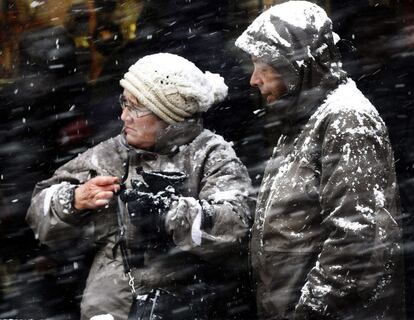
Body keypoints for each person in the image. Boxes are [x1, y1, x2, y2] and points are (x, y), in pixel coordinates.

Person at [26, 53, 252, 319]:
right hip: (109, 310)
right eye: (124, 103)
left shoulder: (211, 154)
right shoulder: (108, 155)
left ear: (168, 113)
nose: (123, 116)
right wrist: (74, 200)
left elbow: (236, 226)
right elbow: (38, 211)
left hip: (189, 306)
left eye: (135, 107)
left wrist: (171, 213)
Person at [235, 1, 405, 319]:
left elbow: (358, 238)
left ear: (293, 63)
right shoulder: (302, 115)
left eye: (262, 64)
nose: (253, 79)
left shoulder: (346, 118)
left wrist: (310, 311)